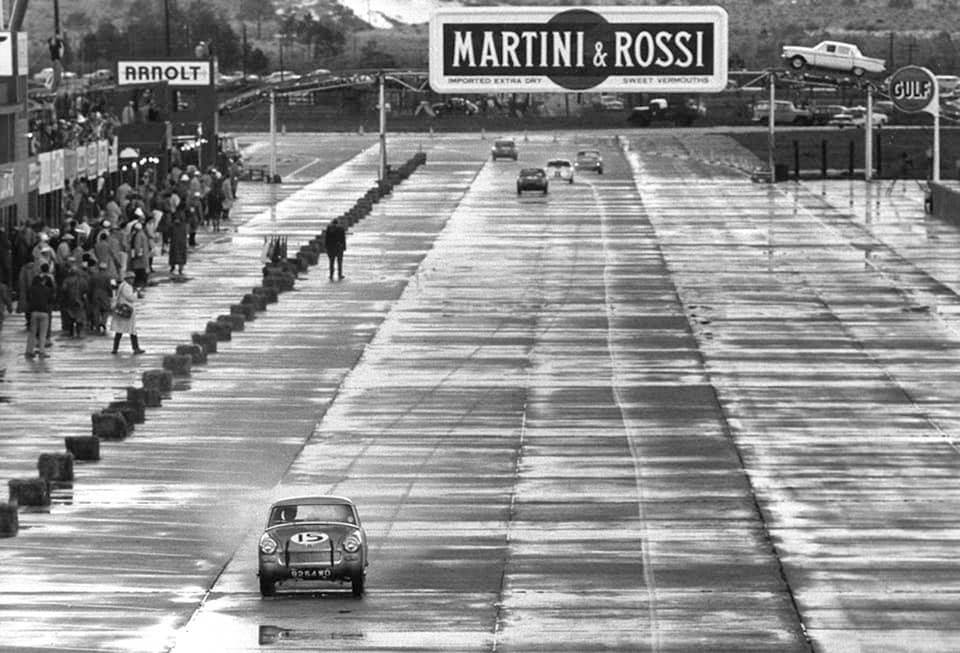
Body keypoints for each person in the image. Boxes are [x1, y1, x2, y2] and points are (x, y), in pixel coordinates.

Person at [25, 263, 55, 359]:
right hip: (44, 312)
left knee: (32, 333)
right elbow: (51, 299)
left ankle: (29, 351)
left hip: (34, 312)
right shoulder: (47, 289)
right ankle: (42, 352)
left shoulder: (32, 289)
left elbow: (28, 299)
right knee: (43, 334)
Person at [110, 271, 145, 355]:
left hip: (122, 310)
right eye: (131, 278)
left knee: (120, 331)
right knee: (132, 331)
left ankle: (115, 348)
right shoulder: (127, 287)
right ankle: (135, 348)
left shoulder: (123, 285)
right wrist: (137, 294)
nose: (133, 280)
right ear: (127, 279)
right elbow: (130, 298)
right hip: (127, 310)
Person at [88, 261, 114, 334]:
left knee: (96, 311)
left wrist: (89, 296)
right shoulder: (107, 276)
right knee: (106, 310)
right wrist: (111, 295)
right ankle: (103, 322)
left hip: (95, 296)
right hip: (104, 296)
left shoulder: (93, 276)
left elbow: (90, 287)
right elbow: (109, 287)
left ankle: (97, 326)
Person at [168, 211, 189, 277]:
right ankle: (177, 267)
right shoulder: (183, 226)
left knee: (175, 255)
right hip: (179, 243)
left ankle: (176, 267)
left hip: (177, 243)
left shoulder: (173, 226)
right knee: (179, 256)